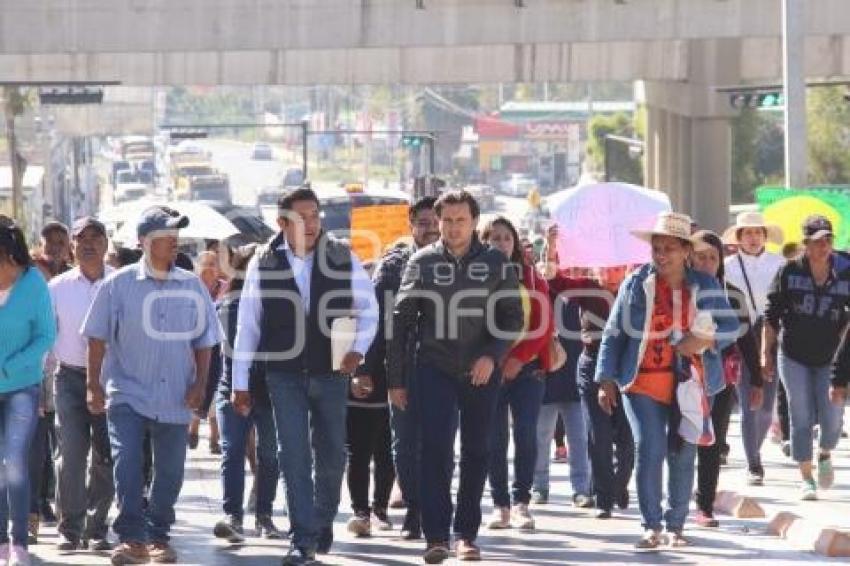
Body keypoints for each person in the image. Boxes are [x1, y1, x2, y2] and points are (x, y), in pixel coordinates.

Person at [233, 187, 379, 565]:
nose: (312, 224)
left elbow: (370, 310)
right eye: (302, 217)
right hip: (282, 375)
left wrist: (357, 350)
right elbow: (247, 327)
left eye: (315, 215)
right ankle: (302, 538)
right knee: (293, 454)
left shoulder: (341, 256)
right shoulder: (262, 263)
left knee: (332, 454)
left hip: (331, 373)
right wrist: (240, 383)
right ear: (282, 223)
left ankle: (321, 520)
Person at [389, 190, 524, 563]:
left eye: (460, 220)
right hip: (433, 368)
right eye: (446, 220)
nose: (452, 227)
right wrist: (396, 381)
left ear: (474, 222)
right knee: (434, 451)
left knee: (478, 451)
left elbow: (513, 318)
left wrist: (493, 356)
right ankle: (435, 536)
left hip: (481, 371)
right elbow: (400, 324)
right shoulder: (422, 262)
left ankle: (466, 533)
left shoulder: (496, 263)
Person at [83, 205, 222, 564]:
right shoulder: (117, 285)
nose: (173, 243)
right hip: (127, 390)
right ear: (144, 242)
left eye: (176, 236)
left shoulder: (192, 285)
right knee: (127, 461)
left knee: (171, 471)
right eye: (165, 237)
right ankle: (132, 538)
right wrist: (93, 385)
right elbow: (96, 338)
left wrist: (201, 385)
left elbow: (205, 341)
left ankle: (159, 533)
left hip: (176, 392)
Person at [596, 212, 737, 548]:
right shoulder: (635, 281)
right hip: (641, 381)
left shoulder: (706, 284)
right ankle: (651, 525)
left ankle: (676, 526)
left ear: (686, 251)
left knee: (683, 454)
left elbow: (730, 327)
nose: (660, 255)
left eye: (669, 248)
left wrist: (703, 340)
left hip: (690, 384)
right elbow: (614, 332)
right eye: (656, 248)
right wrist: (605, 378)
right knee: (650, 448)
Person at [537, 225, 627, 517]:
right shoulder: (588, 289)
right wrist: (550, 246)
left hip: (628, 370)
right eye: (605, 266)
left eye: (616, 266)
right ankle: (601, 497)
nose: (610, 272)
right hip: (591, 365)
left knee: (627, 440)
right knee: (597, 435)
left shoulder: (639, 288)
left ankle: (619, 484)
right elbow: (553, 278)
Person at [763, 215, 850, 501]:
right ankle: (806, 476)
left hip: (832, 356)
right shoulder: (789, 272)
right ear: (806, 244)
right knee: (799, 413)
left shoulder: (846, 268)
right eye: (817, 241)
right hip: (793, 354)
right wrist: (766, 354)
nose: (824, 245)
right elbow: (771, 315)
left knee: (833, 417)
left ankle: (824, 452)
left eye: (828, 239)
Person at [372, 197, 440, 541]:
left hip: (444, 367)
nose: (431, 229)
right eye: (424, 222)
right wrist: (367, 369)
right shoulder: (393, 265)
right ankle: (414, 506)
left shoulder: (458, 263)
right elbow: (377, 322)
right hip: (402, 366)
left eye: (435, 222)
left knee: (438, 443)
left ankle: (434, 508)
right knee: (404, 444)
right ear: (412, 224)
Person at [483, 217, 556, 532]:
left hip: (527, 372)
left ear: (515, 243)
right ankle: (500, 504)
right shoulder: (473, 277)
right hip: (488, 370)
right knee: (493, 439)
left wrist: (519, 358)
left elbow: (544, 325)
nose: (500, 243)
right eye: (494, 238)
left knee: (525, 434)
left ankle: (521, 502)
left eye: (506, 238)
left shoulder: (532, 277)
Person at [49, 217, 116, 553]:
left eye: (96, 236)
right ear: (71, 246)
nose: (88, 243)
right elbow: (47, 339)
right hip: (70, 378)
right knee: (72, 454)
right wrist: (41, 389)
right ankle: (70, 528)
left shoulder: (121, 284)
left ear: (106, 243)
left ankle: (98, 526)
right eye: (81, 238)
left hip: (111, 380)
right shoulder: (57, 287)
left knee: (106, 456)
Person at [690, 230, 764, 527]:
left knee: (713, 440)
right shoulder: (681, 290)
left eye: (712, 257)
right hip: (684, 376)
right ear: (690, 259)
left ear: (720, 260)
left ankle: (704, 505)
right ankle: (678, 498)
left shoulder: (732, 293)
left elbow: (746, 339)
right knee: (682, 439)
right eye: (701, 257)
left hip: (721, 379)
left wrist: (756, 381)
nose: (707, 263)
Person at [212, 246, 284, 543]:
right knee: (240, 451)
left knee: (262, 454)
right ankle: (239, 517)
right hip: (236, 387)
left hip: (269, 389)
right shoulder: (230, 305)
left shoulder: (282, 302)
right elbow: (232, 351)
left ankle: (258, 516)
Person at [0, 216, 57, 565]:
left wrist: (10, 365)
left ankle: (19, 541)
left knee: (15, 463)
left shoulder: (34, 283)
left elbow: (46, 336)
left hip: (21, 386)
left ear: (8, 253)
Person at [722, 211, 786, 484]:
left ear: (765, 236)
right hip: (741, 334)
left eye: (757, 232)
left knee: (767, 403)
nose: (753, 237)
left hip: (772, 334)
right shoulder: (726, 265)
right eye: (747, 233)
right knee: (750, 400)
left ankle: (755, 449)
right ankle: (753, 462)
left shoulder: (780, 263)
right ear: (738, 237)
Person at [28, 220, 72, 541]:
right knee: (39, 442)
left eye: (61, 240)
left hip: (67, 367)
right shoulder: (35, 272)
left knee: (65, 444)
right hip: (39, 370)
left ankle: (58, 500)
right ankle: (39, 502)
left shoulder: (71, 274)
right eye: (50, 241)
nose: (56, 246)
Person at [188, 250, 225, 454]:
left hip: (218, 345)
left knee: (214, 390)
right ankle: (193, 429)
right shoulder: (192, 287)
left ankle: (213, 438)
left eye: (214, 263)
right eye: (206, 264)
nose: (210, 268)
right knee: (199, 385)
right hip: (196, 347)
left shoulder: (226, 289)